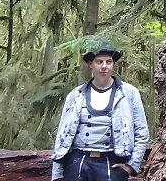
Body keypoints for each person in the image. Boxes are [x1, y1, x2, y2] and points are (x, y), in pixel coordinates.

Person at [51, 40, 149, 181]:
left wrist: (131, 166)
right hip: (78, 163)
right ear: (90, 64)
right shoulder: (75, 95)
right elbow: (62, 134)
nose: (104, 66)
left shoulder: (129, 93)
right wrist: (57, 174)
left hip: (113, 164)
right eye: (99, 62)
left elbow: (141, 132)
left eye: (109, 62)